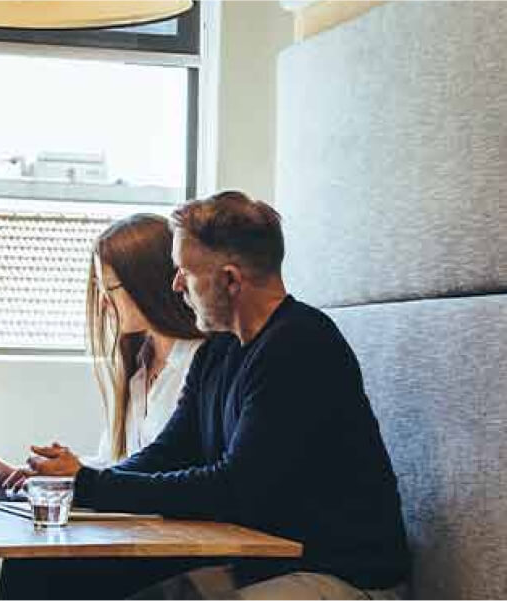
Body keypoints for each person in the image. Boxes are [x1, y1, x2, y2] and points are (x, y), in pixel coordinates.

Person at [21, 191, 410, 599]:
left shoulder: (300, 344)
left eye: (185, 272)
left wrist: (92, 486)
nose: (175, 285)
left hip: (343, 575)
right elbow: (169, 452)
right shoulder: (219, 350)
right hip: (267, 566)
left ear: (230, 280)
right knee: (50, 573)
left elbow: (233, 488)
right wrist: (78, 485)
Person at [0, 214, 206, 487]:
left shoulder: (200, 365)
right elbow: (117, 466)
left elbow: (165, 476)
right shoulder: (139, 366)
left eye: (110, 288)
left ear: (146, 284)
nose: (104, 303)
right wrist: (38, 476)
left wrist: (79, 476)